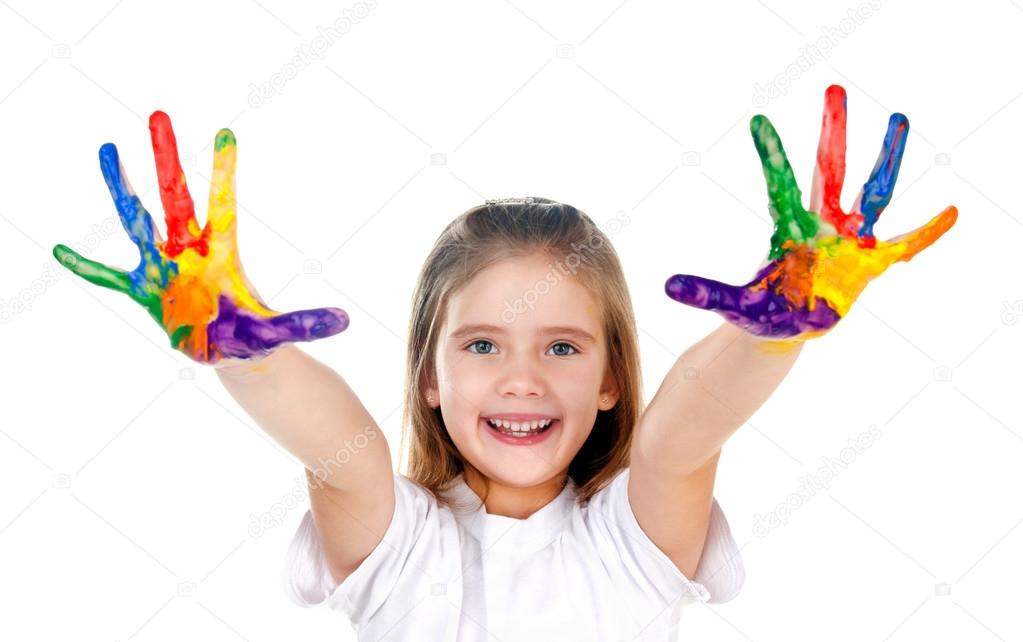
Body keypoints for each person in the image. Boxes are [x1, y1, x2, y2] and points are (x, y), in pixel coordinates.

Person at [52, 85, 956, 641]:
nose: (522, 378)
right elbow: (343, 449)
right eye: (481, 346)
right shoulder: (398, 542)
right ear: (429, 380)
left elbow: (684, 435)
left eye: (562, 347)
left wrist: (772, 332)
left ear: (610, 379)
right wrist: (244, 360)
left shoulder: (629, 544)